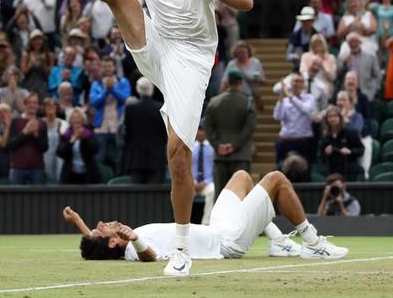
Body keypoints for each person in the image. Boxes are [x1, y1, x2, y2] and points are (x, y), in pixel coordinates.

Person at [6, 0, 253, 277]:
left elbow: (245, 0)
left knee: (178, 155)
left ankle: (183, 249)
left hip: (191, 60)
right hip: (157, 49)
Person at [69, 170, 348, 263]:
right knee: (276, 179)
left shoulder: (115, 242)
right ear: (112, 243)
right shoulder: (131, 248)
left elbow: (94, 243)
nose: (100, 224)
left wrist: (79, 222)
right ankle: (313, 244)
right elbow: (149, 257)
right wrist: (136, 240)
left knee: (241, 176)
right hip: (228, 242)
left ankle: (277, 241)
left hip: (217, 227)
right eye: (99, 230)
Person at [205, 70, 257, 198]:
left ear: (228, 82)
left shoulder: (214, 102)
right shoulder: (248, 102)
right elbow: (250, 127)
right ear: (241, 82)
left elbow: (208, 128)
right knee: (240, 196)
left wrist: (218, 145)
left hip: (220, 156)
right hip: (241, 156)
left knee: (220, 195)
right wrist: (234, 145)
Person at [124, 77, 167, 184]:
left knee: (136, 197)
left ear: (138, 89)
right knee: (155, 197)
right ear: (152, 89)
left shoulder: (130, 109)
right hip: (156, 158)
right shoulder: (160, 108)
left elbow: (127, 135)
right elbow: (164, 135)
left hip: (136, 159)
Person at [7, 93, 48, 185]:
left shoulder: (42, 123)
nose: (32, 105)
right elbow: (11, 145)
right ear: (25, 104)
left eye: (34, 103)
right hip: (18, 168)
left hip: (37, 168)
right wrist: (25, 132)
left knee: (38, 198)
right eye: (29, 102)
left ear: (38, 105)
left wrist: (35, 134)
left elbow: (45, 147)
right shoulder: (15, 121)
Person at [57, 107, 101, 185]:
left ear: (83, 120)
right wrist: (71, 142)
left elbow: (95, 149)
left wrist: (84, 139)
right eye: (74, 118)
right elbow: (60, 152)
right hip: (70, 175)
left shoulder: (89, 133)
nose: (76, 120)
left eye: (79, 118)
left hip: (88, 174)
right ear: (70, 121)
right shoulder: (66, 135)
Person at [192, 124, 215, 225]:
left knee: (212, 191)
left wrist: (205, 182)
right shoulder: (190, 148)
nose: (200, 133)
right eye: (198, 130)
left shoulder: (213, 148)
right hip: (192, 183)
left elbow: (215, 169)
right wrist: (193, 182)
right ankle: (185, 222)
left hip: (207, 183)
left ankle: (205, 224)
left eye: (202, 130)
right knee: (183, 192)